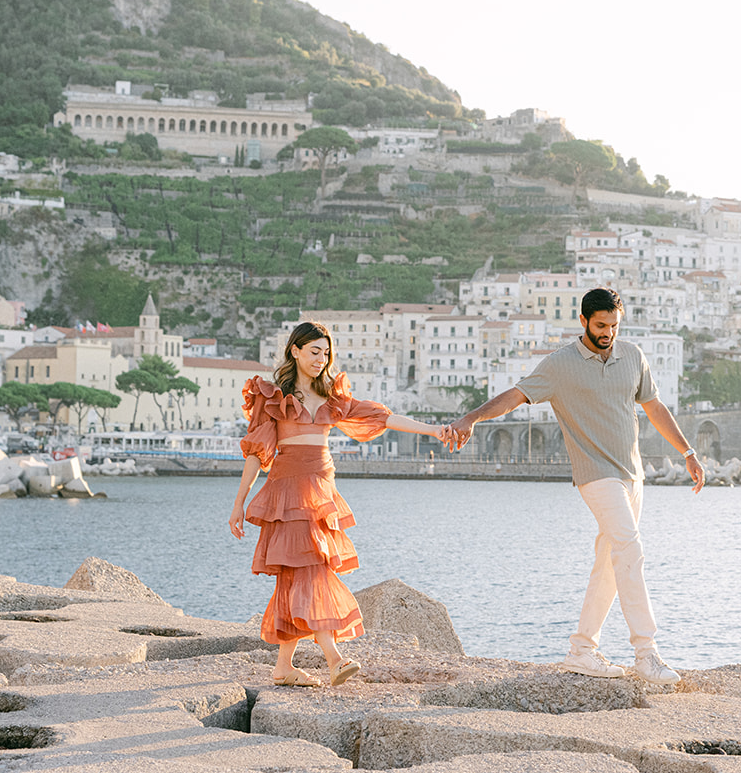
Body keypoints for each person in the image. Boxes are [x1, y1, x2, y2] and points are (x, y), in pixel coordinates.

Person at [444, 288, 704, 683]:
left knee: (610, 562)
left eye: (614, 325)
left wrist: (687, 452)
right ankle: (646, 653)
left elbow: (653, 406)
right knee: (630, 548)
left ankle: (582, 650)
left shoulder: (632, 355)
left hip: (632, 475)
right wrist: (470, 419)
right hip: (595, 474)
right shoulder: (560, 365)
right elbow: (514, 397)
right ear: (583, 321)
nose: (608, 333)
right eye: (601, 325)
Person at [229, 320, 444, 688]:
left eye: (326, 353)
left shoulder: (332, 398)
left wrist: (434, 430)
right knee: (312, 569)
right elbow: (255, 452)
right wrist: (239, 503)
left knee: (297, 574)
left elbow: (384, 417)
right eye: (314, 352)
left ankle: (284, 667)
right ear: (295, 351)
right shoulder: (273, 397)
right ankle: (334, 658)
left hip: (321, 493)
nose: (321, 359)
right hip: (287, 493)